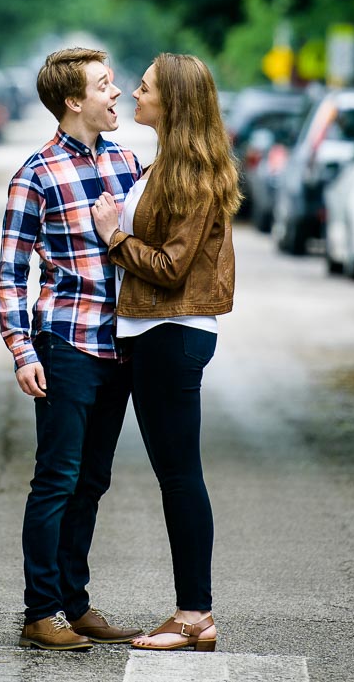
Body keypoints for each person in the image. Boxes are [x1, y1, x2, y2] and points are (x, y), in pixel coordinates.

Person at [90, 53, 240, 653]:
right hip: (151, 333)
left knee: (180, 476)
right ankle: (192, 612)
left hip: (172, 333)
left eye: (145, 87)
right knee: (175, 474)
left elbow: (173, 267)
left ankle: (194, 615)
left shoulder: (195, 173)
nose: (132, 92)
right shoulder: (164, 166)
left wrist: (113, 237)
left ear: (172, 102)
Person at [0, 46, 144, 651]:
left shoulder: (130, 163)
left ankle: (75, 604)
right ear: (72, 101)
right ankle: (41, 610)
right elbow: (11, 274)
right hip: (65, 340)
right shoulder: (35, 175)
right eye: (104, 86)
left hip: (121, 345)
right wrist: (22, 351)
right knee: (57, 478)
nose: (117, 94)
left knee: (93, 479)